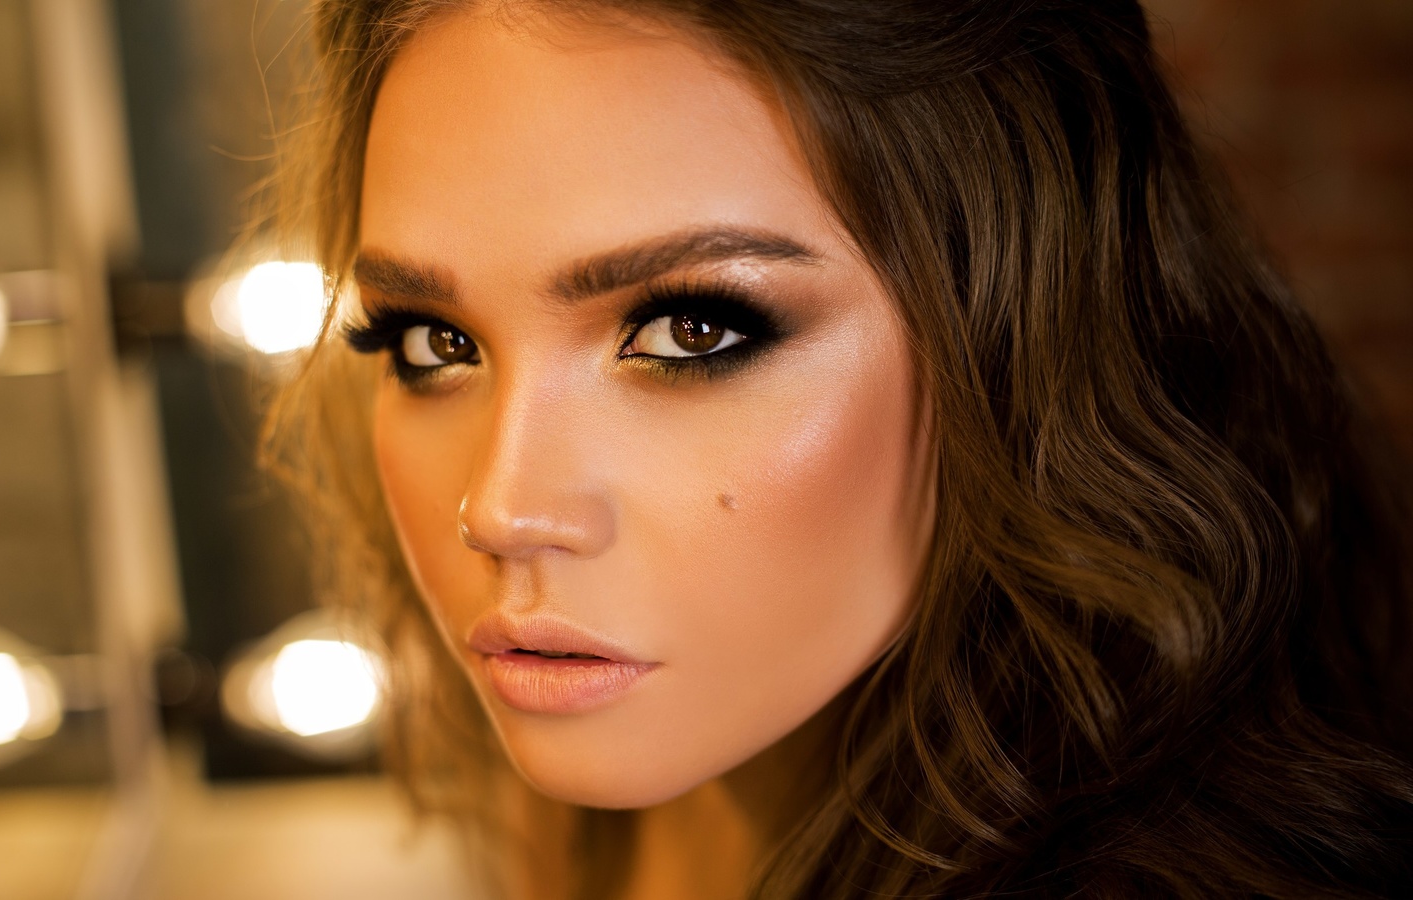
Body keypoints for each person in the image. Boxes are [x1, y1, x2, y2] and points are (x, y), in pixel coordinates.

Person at [262, 1, 1413, 897]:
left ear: (1020, 337)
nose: (502, 510)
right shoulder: (617, 784)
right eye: (435, 341)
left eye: (691, 328)